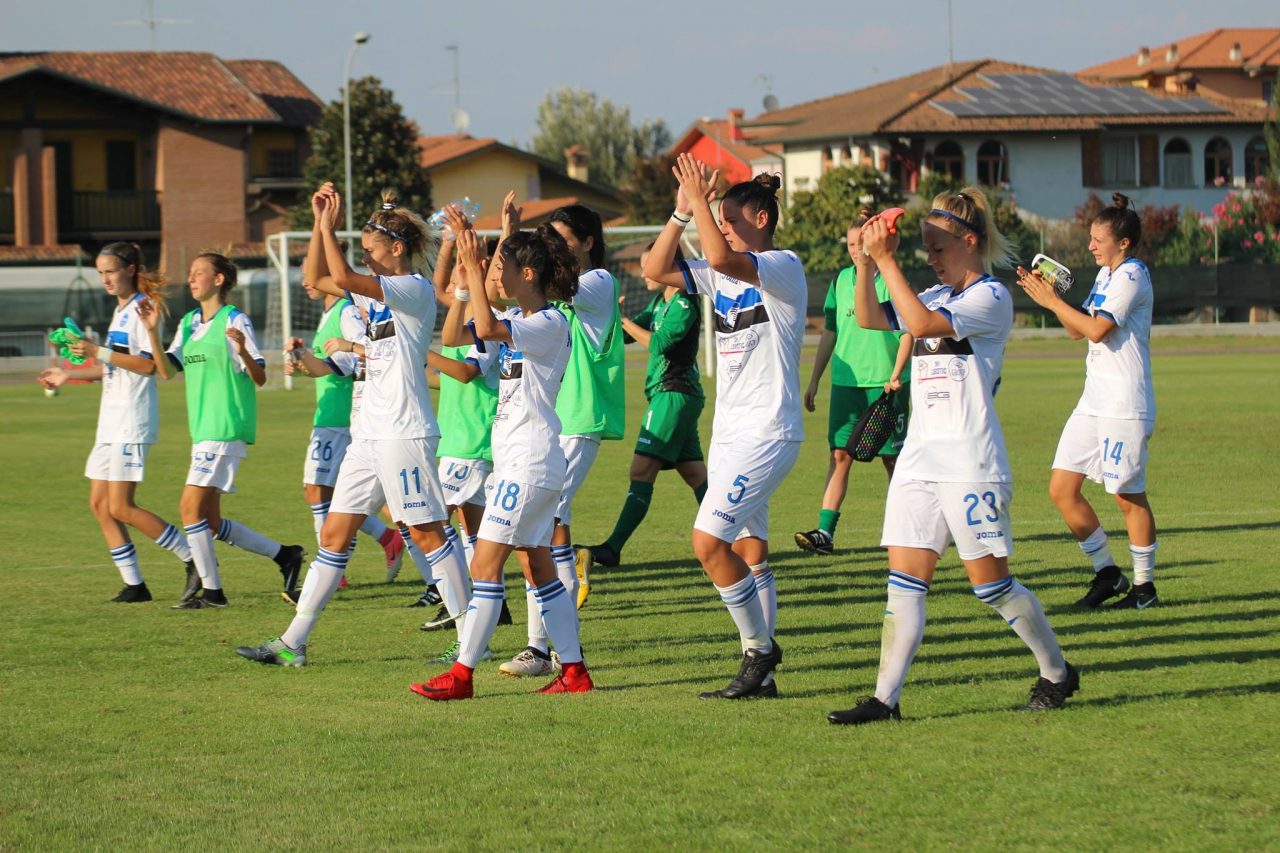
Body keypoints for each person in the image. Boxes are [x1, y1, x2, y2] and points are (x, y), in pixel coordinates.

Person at [827, 188, 1078, 726]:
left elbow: (918, 327)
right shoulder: (933, 294)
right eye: (924, 250)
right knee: (903, 584)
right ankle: (884, 700)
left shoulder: (990, 298)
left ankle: (1057, 671)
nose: (931, 258)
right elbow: (871, 319)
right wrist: (871, 264)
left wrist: (888, 260)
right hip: (919, 460)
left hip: (970, 461)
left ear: (970, 241)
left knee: (991, 586)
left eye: (938, 248)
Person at [235, 184, 470, 665]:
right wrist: (323, 224)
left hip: (403, 432)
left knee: (428, 534)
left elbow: (338, 273)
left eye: (371, 251)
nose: (365, 259)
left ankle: (473, 641)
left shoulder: (412, 288)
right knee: (334, 536)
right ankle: (293, 643)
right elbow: (317, 275)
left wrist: (329, 228)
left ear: (397, 250)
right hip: (368, 435)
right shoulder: (373, 296)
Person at [411, 203, 593, 700]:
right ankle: (575, 673)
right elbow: (455, 336)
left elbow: (488, 330)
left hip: (529, 465)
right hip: (523, 465)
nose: (498, 274)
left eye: (505, 267)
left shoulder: (549, 322)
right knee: (537, 568)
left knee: (484, 567)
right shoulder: (520, 317)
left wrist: (471, 261)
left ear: (527, 273)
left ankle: (462, 675)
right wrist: (470, 272)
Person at [643, 156, 806, 700]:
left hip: (768, 432)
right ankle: (765, 677)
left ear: (761, 218)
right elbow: (654, 267)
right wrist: (681, 212)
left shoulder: (782, 265)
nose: (726, 226)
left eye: (732, 217)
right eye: (723, 218)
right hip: (731, 432)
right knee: (749, 547)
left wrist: (704, 213)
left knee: (707, 542)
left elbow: (716, 252)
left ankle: (759, 650)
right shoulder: (721, 274)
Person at [499, 202, 625, 675]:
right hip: (554, 421)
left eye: (560, 238)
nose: (552, 247)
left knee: (538, 528)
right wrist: (512, 239)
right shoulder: (552, 291)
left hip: (577, 419)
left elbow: (540, 283)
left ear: (587, 243)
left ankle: (543, 649)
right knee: (551, 531)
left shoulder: (596, 282)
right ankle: (550, 649)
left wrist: (519, 251)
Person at [1016, 193, 1159, 609]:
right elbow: (1077, 331)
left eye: (1099, 240)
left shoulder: (1132, 275)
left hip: (1123, 403)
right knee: (1062, 488)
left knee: (1127, 496)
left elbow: (1098, 331)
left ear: (1124, 243)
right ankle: (1108, 575)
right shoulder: (1105, 275)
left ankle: (1145, 589)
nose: (1092, 245)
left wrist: (1053, 302)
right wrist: (1051, 297)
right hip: (1093, 400)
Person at [37, 242, 196, 602]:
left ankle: (194, 560)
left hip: (131, 420)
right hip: (110, 422)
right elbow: (114, 365)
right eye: (100, 273)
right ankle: (135, 585)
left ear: (131, 270)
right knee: (99, 505)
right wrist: (67, 374)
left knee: (121, 506)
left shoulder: (142, 308)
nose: (105, 279)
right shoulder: (121, 309)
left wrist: (96, 351)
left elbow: (149, 367)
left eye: (110, 271)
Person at [160, 251, 304, 609]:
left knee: (189, 510)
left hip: (225, 427)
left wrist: (240, 349)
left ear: (219, 279)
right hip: (203, 429)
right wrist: (150, 330)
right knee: (208, 520)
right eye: (190, 273)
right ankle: (285, 555)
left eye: (198, 273)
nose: (191, 279)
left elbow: (259, 375)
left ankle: (213, 593)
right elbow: (166, 368)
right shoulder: (190, 322)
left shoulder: (235, 320)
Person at [578, 241, 708, 571]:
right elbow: (625, 334)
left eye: (649, 265)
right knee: (695, 475)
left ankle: (612, 548)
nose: (645, 272)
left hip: (674, 394)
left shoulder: (684, 303)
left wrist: (623, 320)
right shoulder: (658, 302)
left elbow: (660, 345)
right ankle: (736, 537)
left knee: (641, 471)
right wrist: (610, 318)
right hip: (671, 397)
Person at [795, 210, 912, 555]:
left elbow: (910, 330)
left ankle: (913, 527)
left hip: (885, 382)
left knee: (893, 460)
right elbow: (830, 332)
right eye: (850, 244)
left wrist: (897, 373)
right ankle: (825, 534)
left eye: (861, 243)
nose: (856, 250)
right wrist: (815, 378)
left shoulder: (893, 279)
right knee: (840, 454)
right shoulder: (840, 281)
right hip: (847, 384)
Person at [283, 281, 405, 601]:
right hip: (330, 416)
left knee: (320, 490)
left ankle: (334, 572)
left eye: (314, 274)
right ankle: (386, 539)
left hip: (339, 418)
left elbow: (351, 365)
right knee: (336, 496)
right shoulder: (328, 314)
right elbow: (327, 368)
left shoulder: (346, 312)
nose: (306, 281)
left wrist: (332, 355)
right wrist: (302, 360)